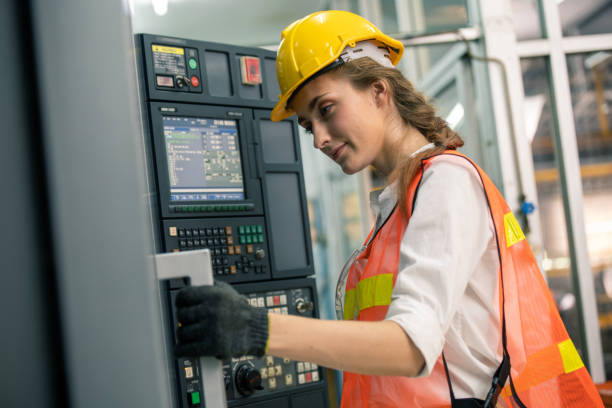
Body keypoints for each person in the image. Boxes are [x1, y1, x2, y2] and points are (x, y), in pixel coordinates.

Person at [174, 10, 603, 407]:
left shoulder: (446, 181)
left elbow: (409, 347)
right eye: (308, 125)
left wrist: (258, 330)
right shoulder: (396, 206)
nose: (319, 138)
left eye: (326, 110)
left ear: (378, 90)